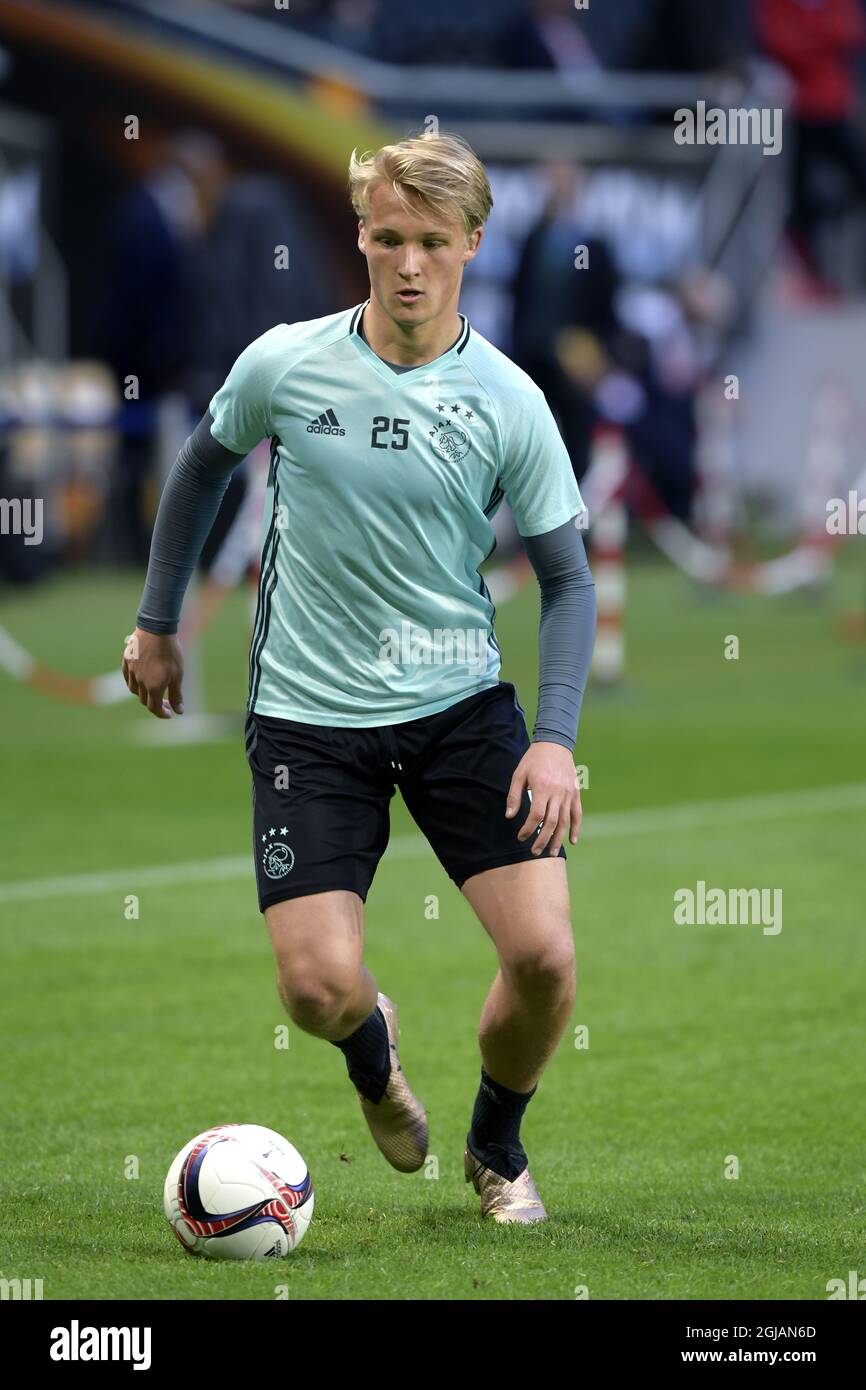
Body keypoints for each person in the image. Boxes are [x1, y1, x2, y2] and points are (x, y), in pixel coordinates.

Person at [122, 133, 596, 1224]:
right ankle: (374, 1057)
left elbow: (567, 583)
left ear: (471, 242)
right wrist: (156, 624)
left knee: (544, 960)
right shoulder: (286, 362)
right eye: (388, 238)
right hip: (307, 720)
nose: (409, 263)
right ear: (361, 237)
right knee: (315, 989)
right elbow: (200, 468)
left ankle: (493, 1144)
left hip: (460, 711)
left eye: (432, 241)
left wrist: (555, 736)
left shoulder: (509, 400)